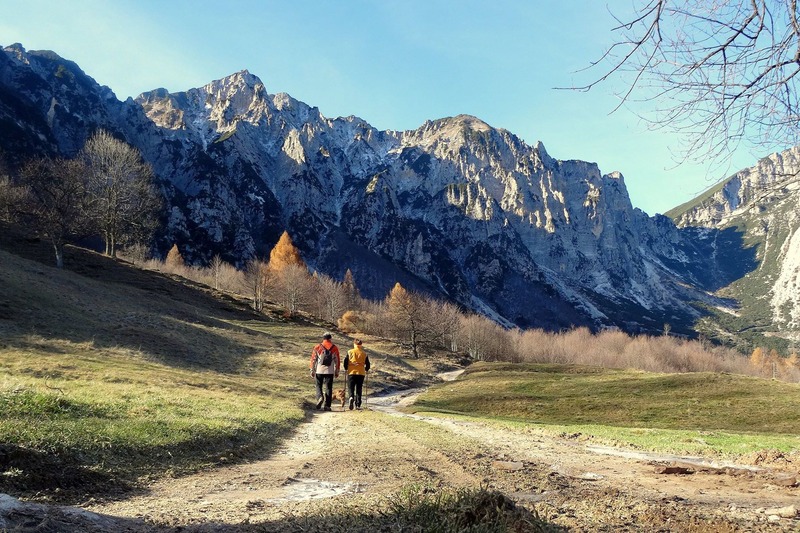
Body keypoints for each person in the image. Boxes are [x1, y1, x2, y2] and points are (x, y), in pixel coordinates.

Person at [309, 332, 340, 411]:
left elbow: (313, 359)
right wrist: (337, 370)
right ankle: (327, 406)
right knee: (329, 388)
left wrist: (312, 369)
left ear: (323, 338)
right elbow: (337, 360)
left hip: (319, 370)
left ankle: (320, 397)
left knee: (318, 386)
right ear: (330, 339)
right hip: (329, 371)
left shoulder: (318, 347)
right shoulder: (334, 348)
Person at [344, 338, 370, 410]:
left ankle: (351, 397)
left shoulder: (350, 352)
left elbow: (346, 361)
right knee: (359, 388)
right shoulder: (364, 354)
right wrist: (366, 369)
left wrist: (346, 368)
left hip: (351, 372)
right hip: (361, 373)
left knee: (350, 387)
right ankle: (358, 404)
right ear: (361, 345)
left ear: (354, 344)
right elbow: (368, 364)